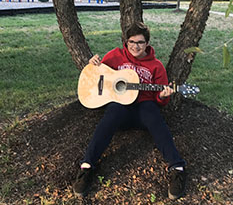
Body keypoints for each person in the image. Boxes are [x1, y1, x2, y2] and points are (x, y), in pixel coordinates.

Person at [73, 22, 187, 200]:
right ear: (126, 42)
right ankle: (87, 166)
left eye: (140, 42)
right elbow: (97, 75)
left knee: (152, 111)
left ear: (147, 44)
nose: (135, 46)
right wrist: (92, 65)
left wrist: (164, 96)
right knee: (113, 111)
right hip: (120, 111)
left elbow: (160, 102)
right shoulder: (115, 56)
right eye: (132, 42)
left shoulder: (156, 66)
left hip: (144, 113)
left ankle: (177, 167)